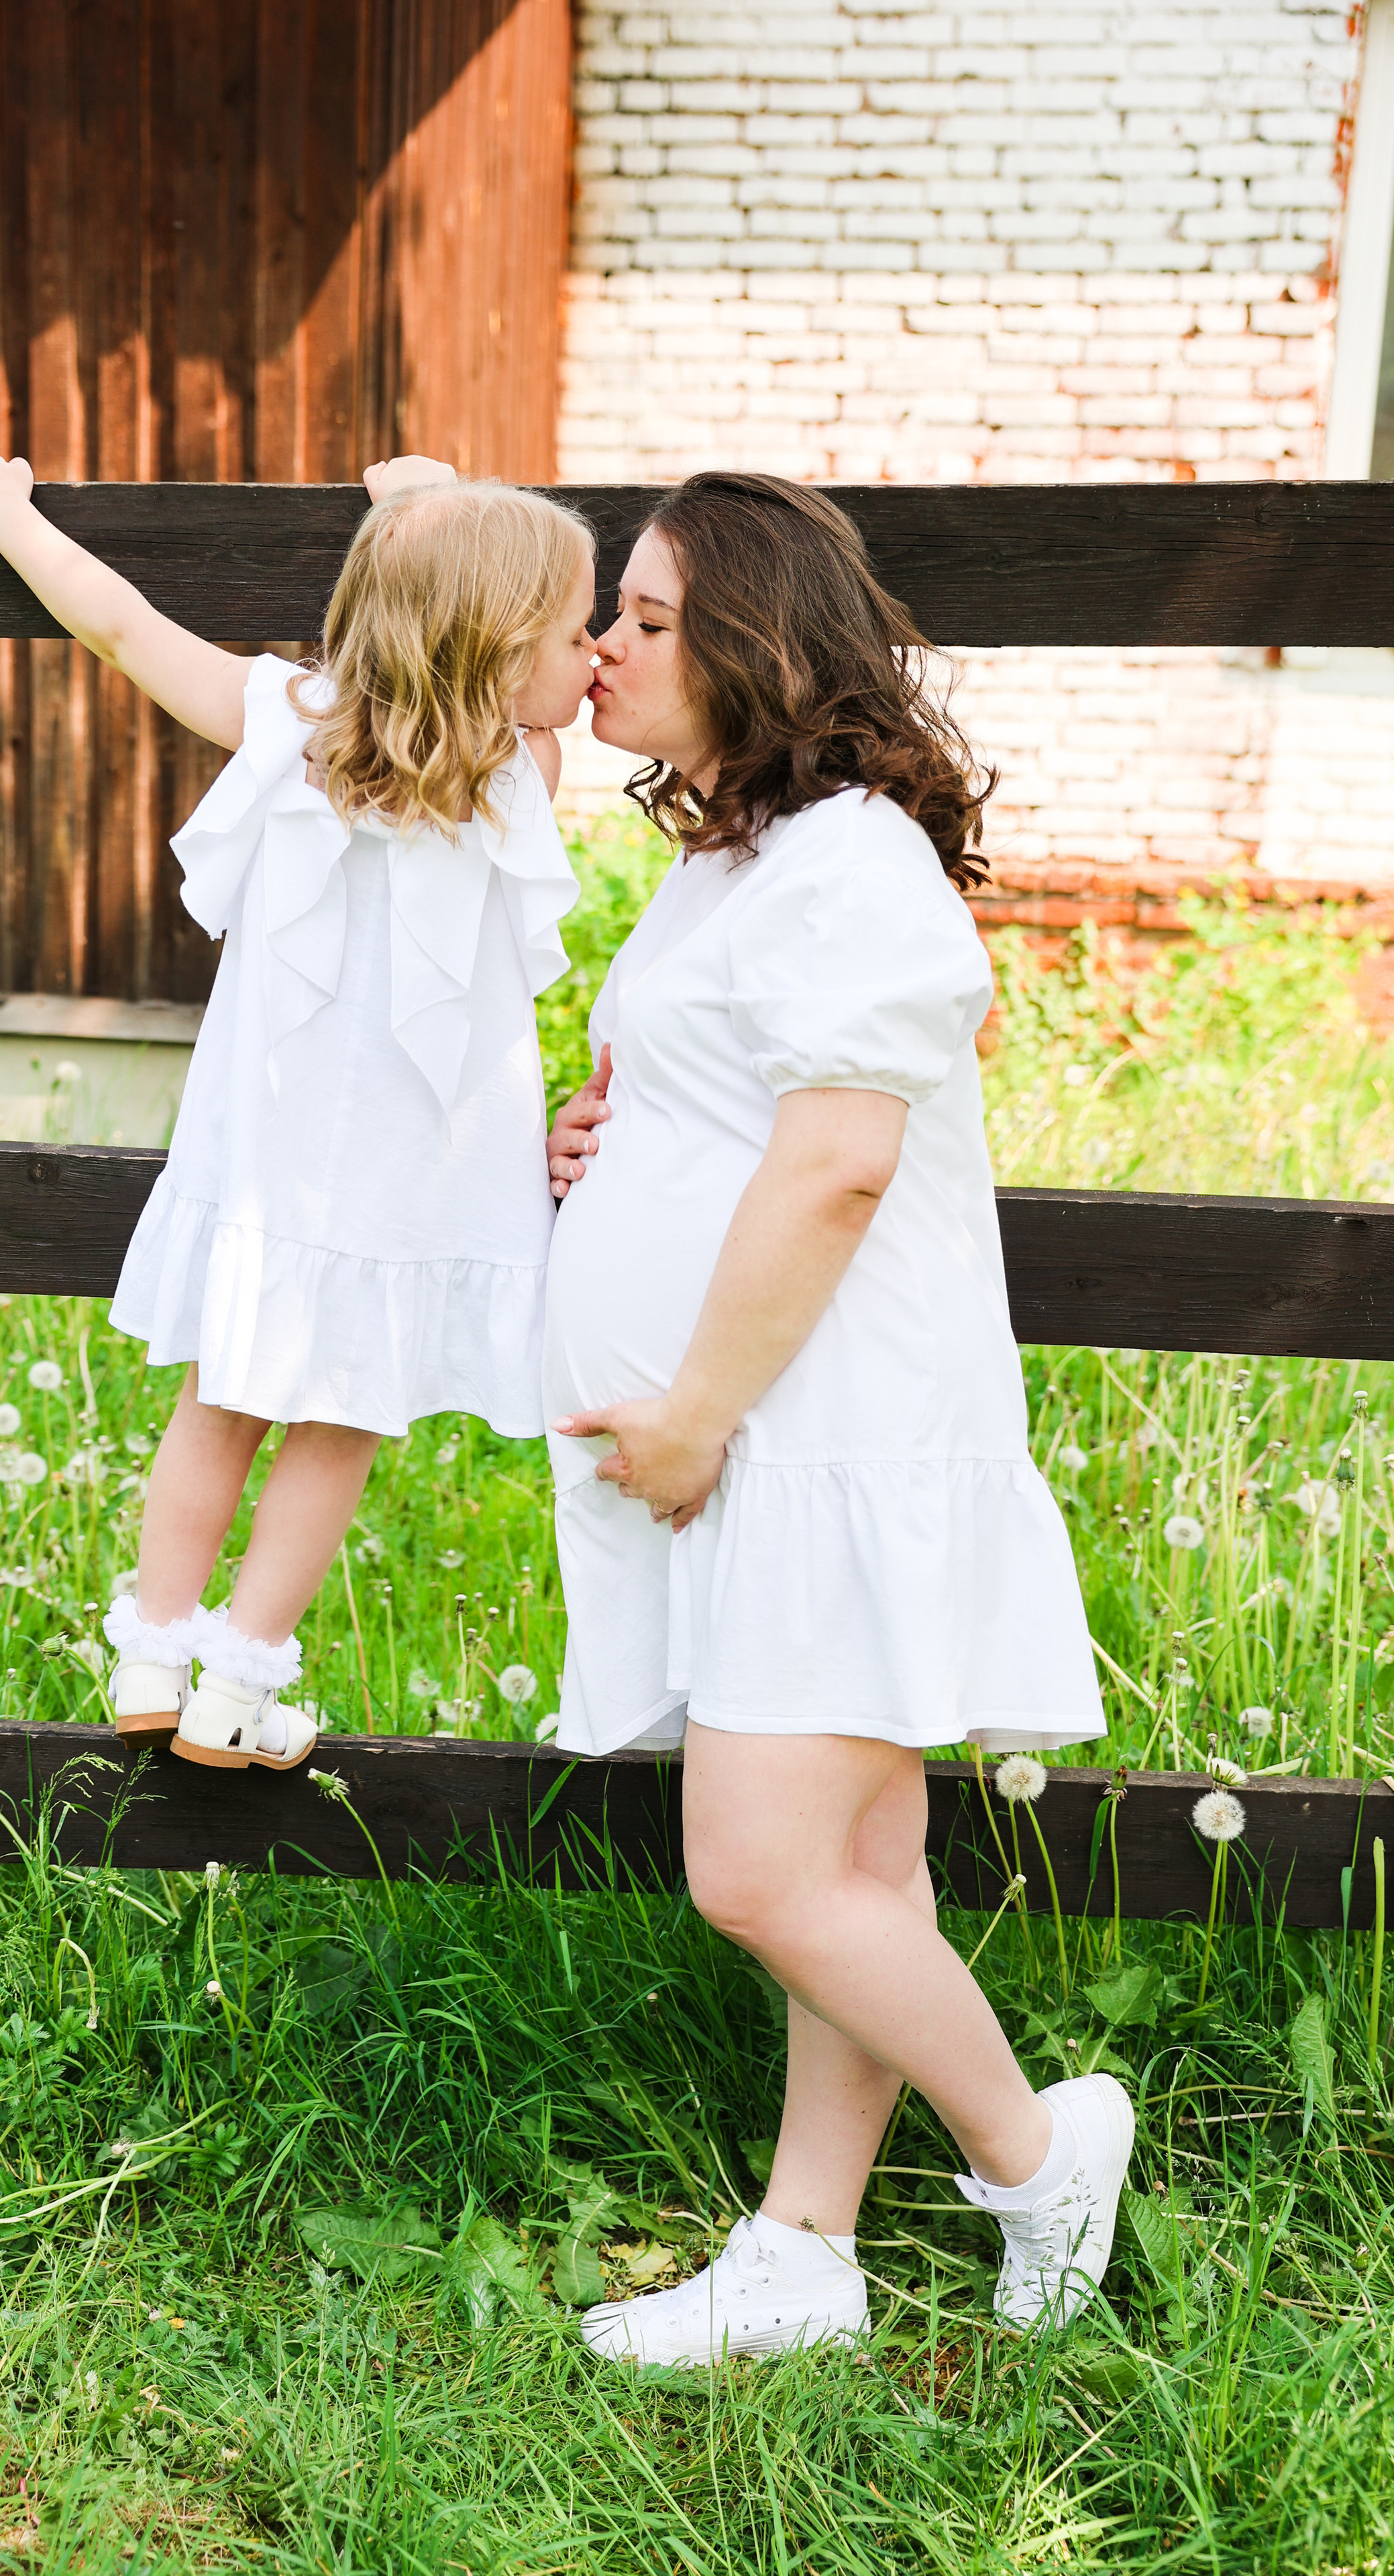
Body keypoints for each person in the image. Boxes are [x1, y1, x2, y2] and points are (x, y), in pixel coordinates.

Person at [543, 470, 1125, 2362]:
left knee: (761, 1871)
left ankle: (1040, 2153)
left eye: (638, 613)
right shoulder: (741, 862)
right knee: (857, 1875)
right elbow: (739, 1117)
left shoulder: (853, 858)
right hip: (779, 1431)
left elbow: (843, 1169)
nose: (599, 646)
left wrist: (699, 1411)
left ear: (751, 641)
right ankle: (806, 2248)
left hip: (823, 1426)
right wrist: (600, 1155)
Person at [0, 452, 594, 1770]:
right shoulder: (519, 774)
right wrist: (421, 498)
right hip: (413, 1180)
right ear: (507, 649)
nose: (593, 660)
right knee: (343, 1419)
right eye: (575, 634)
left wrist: (4, 513)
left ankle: (150, 1647)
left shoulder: (284, 719)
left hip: (270, 1161)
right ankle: (238, 1686)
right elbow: (454, 654)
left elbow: (118, 624)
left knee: (219, 1396)